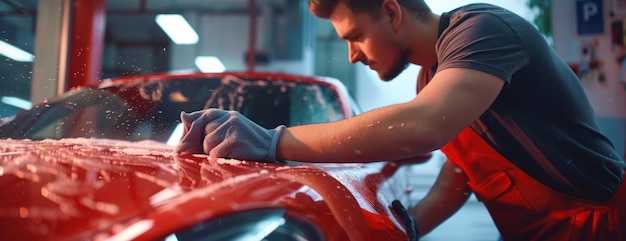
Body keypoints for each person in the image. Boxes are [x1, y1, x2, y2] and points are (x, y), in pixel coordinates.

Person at [175, 0, 626, 240]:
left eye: (356, 36)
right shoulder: (433, 78)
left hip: (598, 226)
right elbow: (465, 171)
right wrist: (410, 227)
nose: (352, 54)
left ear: (391, 12)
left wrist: (273, 141)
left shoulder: (483, 31)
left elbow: (425, 124)